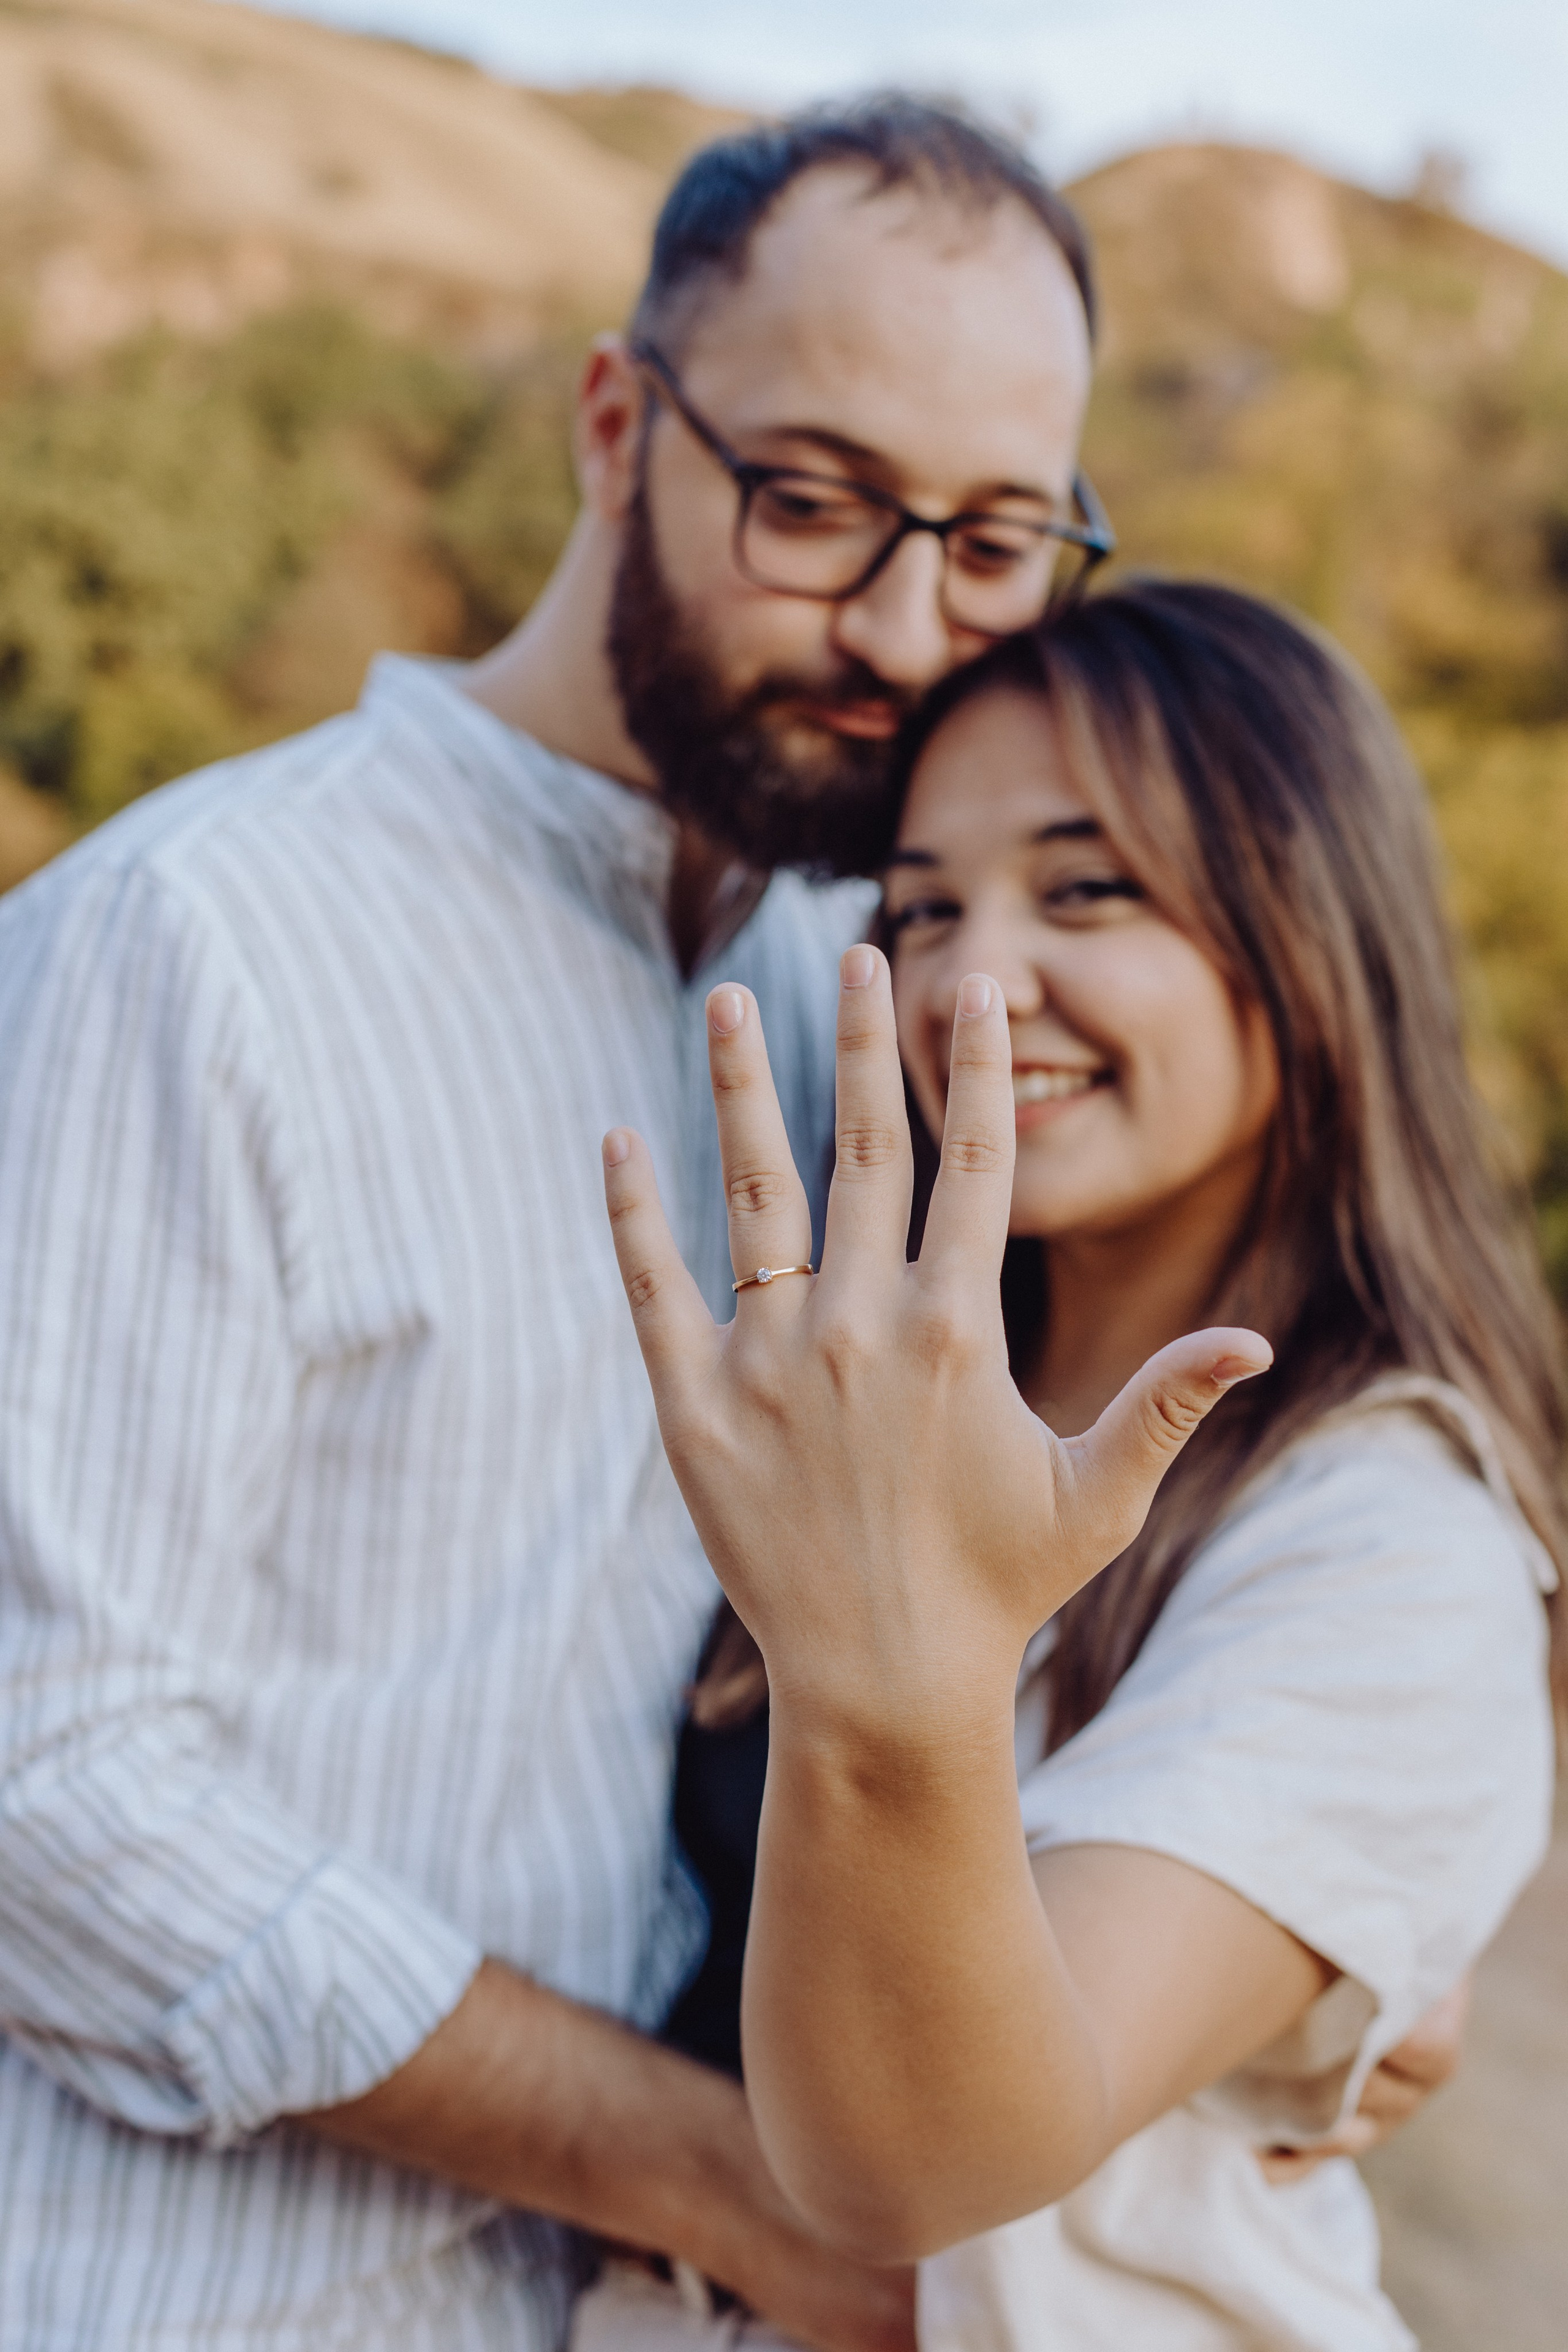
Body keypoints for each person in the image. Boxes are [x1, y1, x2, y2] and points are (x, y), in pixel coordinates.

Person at [600, 581, 1563, 2350]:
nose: (975, 982)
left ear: (1308, 924)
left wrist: (895, 1682)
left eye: (1088, 888)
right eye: (922, 909)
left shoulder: (1399, 1542)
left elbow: (928, 2163)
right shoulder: (869, 1379)